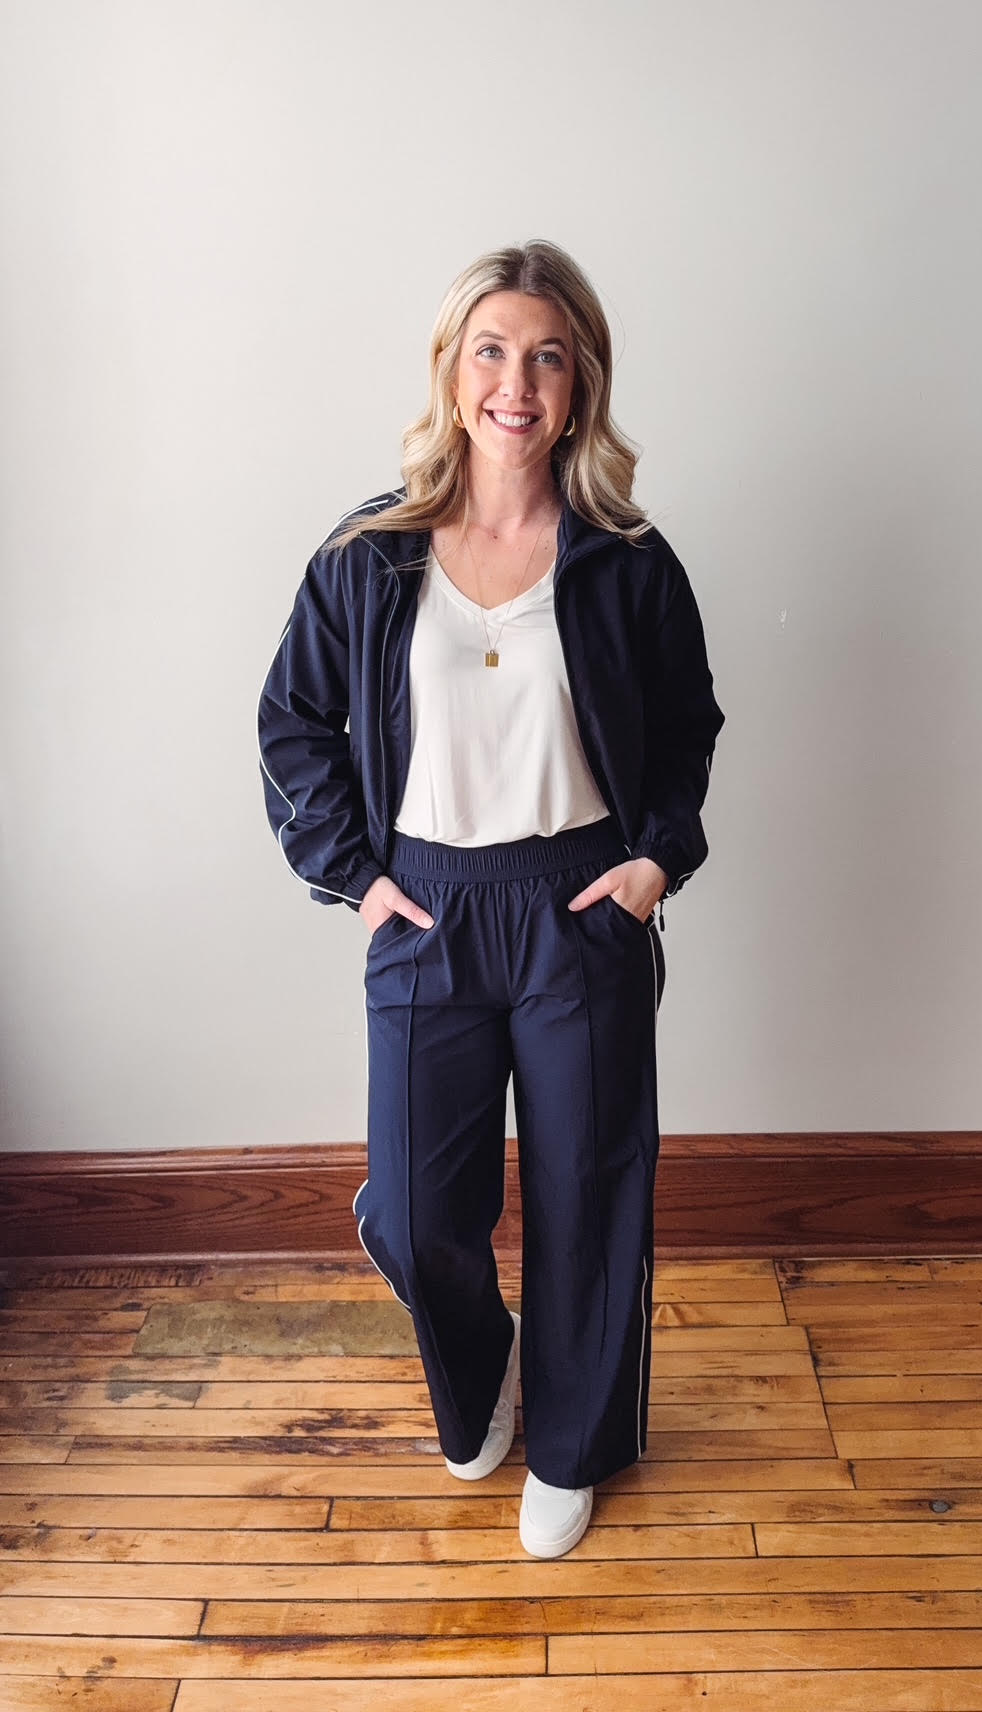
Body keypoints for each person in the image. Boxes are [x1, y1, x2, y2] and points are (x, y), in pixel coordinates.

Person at [258, 239, 724, 1559]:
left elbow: (690, 724)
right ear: (454, 374)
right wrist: (352, 874)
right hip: (429, 911)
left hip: (577, 903)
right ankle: (488, 1382)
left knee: (588, 1193)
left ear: (579, 388)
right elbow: (294, 719)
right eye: (493, 350)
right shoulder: (370, 552)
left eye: (549, 356)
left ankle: (573, 1448)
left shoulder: (626, 559)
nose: (519, 380)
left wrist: (654, 864)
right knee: (413, 1213)